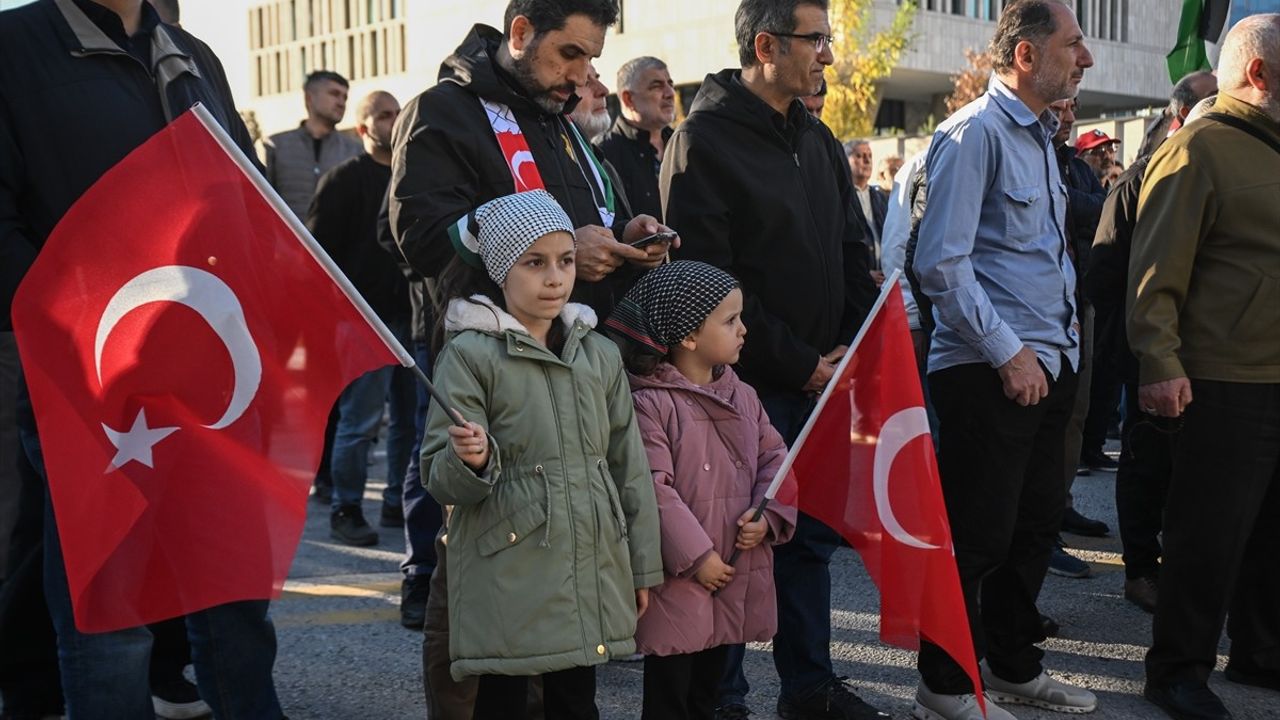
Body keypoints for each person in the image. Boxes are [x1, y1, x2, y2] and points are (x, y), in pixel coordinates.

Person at [0, 1, 283, 717]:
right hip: (88, 376)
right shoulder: (14, 46)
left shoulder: (190, 54)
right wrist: (83, 330)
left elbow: (247, 199)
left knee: (233, 596)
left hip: (210, 368)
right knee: (111, 614)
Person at [661, 1, 883, 718]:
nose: (827, 54)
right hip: (742, 390)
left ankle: (809, 688)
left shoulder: (815, 138)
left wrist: (852, 346)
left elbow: (853, 249)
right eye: (815, 39)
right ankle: (721, 698)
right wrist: (797, 363)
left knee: (806, 542)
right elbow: (706, 283)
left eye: (827, 39)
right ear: (766, 44)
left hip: (822, 381)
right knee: (731, 544)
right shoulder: (702, 142)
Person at [911, 2, 1098, 718]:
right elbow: (942, 265)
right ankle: (945, 684)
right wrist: (1009, 352)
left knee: (1033, 528)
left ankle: (1014, 664)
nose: (1085, 59)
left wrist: (1057, 355)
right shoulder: (973, 135)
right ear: (1025, 55)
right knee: (976, 536)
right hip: (989, 373)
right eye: (1073, 44)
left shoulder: (1041, 139)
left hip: (1047, 366)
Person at [421, 189, 662, 720]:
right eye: (535, 263)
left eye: (566, 261)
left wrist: (641, 566)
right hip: (508, 569)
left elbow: (629, 465)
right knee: (503, 701)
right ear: (502, 270)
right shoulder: (469, 354)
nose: (555, 278)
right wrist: (472, 460)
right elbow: (438, 474)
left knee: (576, 702)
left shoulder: (597, 352)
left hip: (587, 563)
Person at [1127, 15, 1280, 720]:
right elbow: (1153, 274)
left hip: (1274, 376)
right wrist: (1159, 362)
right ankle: (1177, 671)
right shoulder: (1199, 150)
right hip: (1220, 380)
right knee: (1206, 536)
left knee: (1271, 534)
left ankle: (1260, 650)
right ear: (1259, 73)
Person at [389, 0, 673, 320]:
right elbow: (427, 241)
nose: (581, 77)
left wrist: (624, 239)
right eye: (570, 54)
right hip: (499, 357)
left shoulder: (560, 120)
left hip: (592, 353)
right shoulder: (441, 111)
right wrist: (563, 254)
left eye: (590, 59)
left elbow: (583, 225)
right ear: (521, 33)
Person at [604, 260, 798, 720]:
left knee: (709, 692)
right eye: (730, 320)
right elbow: (653, 491)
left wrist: (765, 515)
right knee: (671, 692)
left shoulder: (742, 394)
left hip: (733, 564)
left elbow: (777, 458)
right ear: (688, 336)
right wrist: (697, 558)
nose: (744, 329)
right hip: (684, 576)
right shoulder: (650, 403)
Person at [1085, 69, 1217, 616]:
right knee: (1147, 464)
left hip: (1208, 352)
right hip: (1148, 353)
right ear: (1182, 113)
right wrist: (1145, 334)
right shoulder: (1139, 179)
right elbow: (1103, 272)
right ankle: (1141, 569)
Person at [305, 90, 416, 546]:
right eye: (384, 115)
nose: (394, 121)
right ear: (363, 128)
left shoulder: (413, 178)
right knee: (360, 420)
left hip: (410, 317)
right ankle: (345, 506)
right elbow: (315, 256)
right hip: (360, 320)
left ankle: (396, 502)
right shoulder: (341, 180)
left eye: (398, 113)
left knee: (409, 421)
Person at [1045, 96, 1109, 583]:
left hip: (1078, 305)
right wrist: (1092, 206)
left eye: (1073, 108)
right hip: (1036, 319)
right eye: (1060, 105)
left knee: (1075, 416)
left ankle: (1059, 508)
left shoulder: (1073, 166)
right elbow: (1076, 209)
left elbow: (1097, 217)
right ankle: (1041, 531)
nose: (1068, 116)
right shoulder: (1025, 152)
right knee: (1047, 427)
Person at [597, 55, 676, 221]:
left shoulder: (681, 144)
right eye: (657, 86)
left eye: (670, 84)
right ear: (629, 99)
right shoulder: (602, 154)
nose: (670, 93)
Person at [846, 139, 888, 285]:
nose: (867, 160)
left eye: (869, 156)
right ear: (846, 160)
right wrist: (863, 273)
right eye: (859, 155)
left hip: (884, 281)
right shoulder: (842, 198)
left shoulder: (880, 197)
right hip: (857, 283)